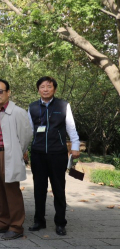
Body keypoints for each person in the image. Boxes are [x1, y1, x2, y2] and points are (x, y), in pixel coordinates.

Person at [28, 76, 80, 236]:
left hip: (57, 153)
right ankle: (39, 220)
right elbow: (29, 130)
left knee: (58, 188)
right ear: (38, 89)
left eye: (49, 86)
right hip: (37, 154)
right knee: (39, 188)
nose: (45, 89)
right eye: (42, 86)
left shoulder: (63, 105)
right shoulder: (32, 107)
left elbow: (71, 128)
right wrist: (24, 148)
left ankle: (60, 222)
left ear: (54, 89)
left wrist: (75, 146)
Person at [0, 79, 32, 240]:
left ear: (8, 92)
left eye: (0, 91)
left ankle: (16, 226)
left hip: (8, 155)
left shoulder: (18, 112)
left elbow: (25, 137)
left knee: (11, 191)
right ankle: (3, 222)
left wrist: (19, 152)